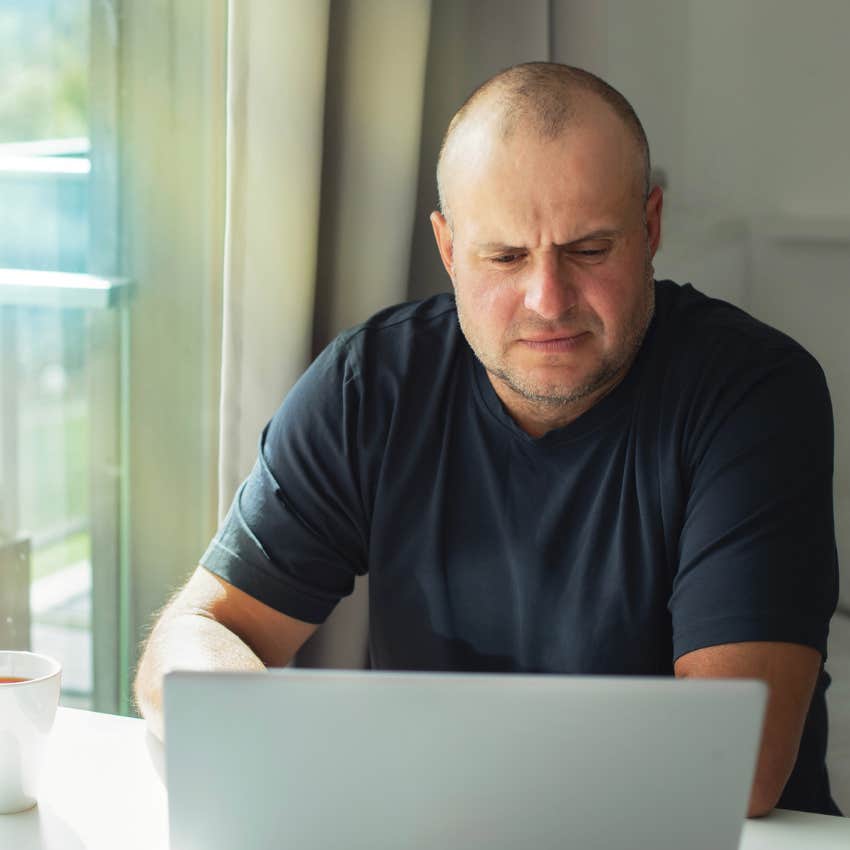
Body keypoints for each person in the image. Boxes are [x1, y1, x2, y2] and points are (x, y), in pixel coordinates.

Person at [134, 62, 840, 817]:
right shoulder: (370, 384)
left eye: (590, 250)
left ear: (651, 227)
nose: (549, 300)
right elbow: (194, 635)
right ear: (447, 248)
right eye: (504, 257)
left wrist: (381, 757)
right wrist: (259, 725)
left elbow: (738, 763)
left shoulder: (754, 393)